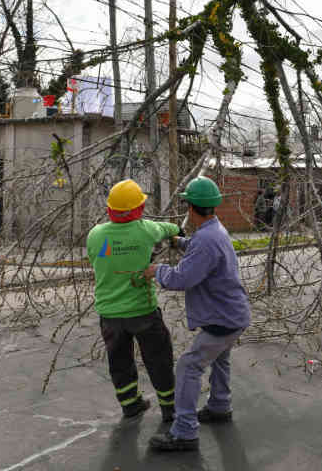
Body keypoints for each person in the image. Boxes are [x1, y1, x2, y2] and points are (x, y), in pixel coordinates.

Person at [144, 176, 251, 452]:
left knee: (188, 366)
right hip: (232, 314)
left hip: (222, 319)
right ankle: (219, 406)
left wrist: (157, 271)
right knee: (220, 359)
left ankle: (184, 432)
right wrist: (178, 242)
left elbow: (182, 278)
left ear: (191, 208)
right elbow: (198, 247)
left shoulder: (206, 240)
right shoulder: (214, 230)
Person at [87, 179, 181, 422]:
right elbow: (169, 229)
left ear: (109, 210)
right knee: (158, 358)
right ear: (138, 210)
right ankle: (170, 408)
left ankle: (130, 404)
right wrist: (178, 234)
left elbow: (101, 261)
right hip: (142, 312)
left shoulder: (95, 235)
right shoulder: (146, 230)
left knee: (119, 360)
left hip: (109, 315)